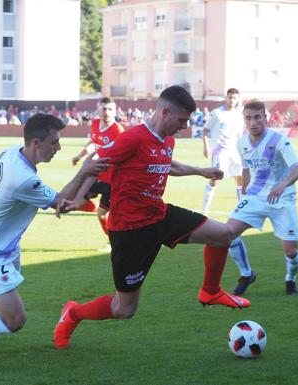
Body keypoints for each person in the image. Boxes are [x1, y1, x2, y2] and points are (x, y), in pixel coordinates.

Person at [52, 85, 250, 350]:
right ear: (165, 112)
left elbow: (167, 165)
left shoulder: (167, 139)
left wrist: (201, 171)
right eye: (181, 120)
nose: (184, 126)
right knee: (124, 309)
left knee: (223, 234)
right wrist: (73, 198)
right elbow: (93, 168)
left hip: (160, 215)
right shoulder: (132, 138)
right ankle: (73, 312)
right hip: (130, 230)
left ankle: (210, 291)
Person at [0, 113, 109, 363]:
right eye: (54, 142)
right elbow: (60, 205)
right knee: (15, 320)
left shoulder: (11, 152)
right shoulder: (23, 180)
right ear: (35, 143)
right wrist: (84, 172)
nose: (58, 148)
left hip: (3, 246)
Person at [225, 99, 298, 296]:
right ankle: (246, 274)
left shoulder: (279, 140)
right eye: (248, 118)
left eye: (257, 117)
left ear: (265, 118)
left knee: (290, 251)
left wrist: (282, 184)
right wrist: (243, 191)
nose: (253, 122)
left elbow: (297, 169)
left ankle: (290, 279)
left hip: (283, 198)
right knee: (226, 234)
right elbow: (246, 170)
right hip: (255, 196)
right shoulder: (241, 143)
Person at [71, 97, 124, 248]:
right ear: (98, 110)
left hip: (112, 181)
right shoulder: (95, 124)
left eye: (110, 109)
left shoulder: (118, 131)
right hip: (97, 176)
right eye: (104, 109)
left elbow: (120, 156)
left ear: (115, 111)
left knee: (102, 215)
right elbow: (93, 143)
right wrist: (79, 156)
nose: (106, 112)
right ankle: (93, 207)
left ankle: (113, 242)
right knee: (76, 200)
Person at [201, 88, 244, 215]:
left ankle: (242, 210)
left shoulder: (238, 115)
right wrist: (206, 147)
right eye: (230, 97)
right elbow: (205, 130)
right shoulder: (217, 113)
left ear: (237, 100)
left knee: (239, 179)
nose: (232, 100)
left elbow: (239, 136)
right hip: (220, 152)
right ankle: (204, 212)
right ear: (226, 97)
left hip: (234, 152)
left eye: (235, 98)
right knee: (215, 180)